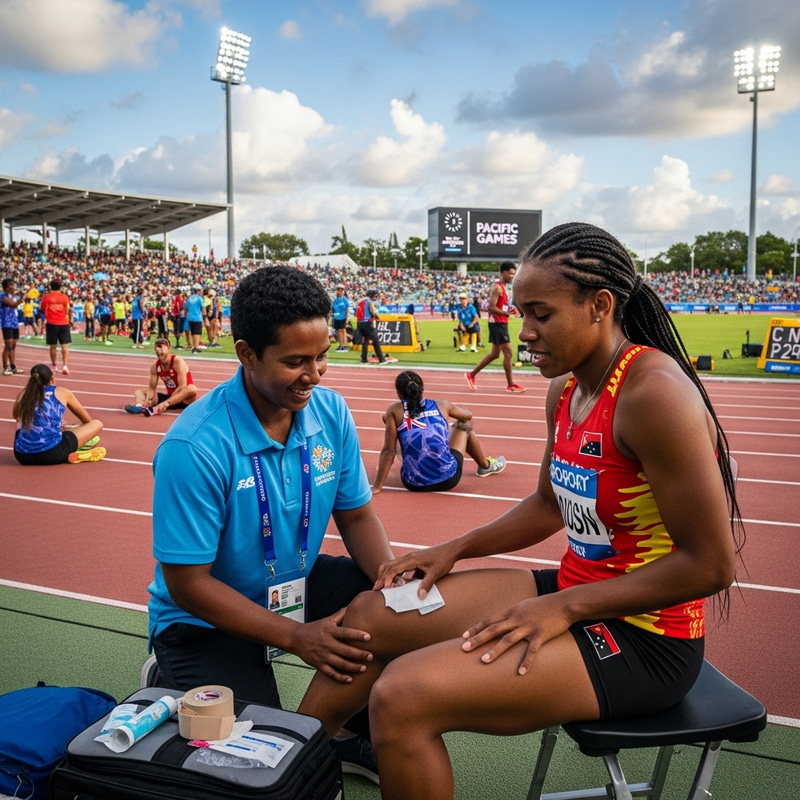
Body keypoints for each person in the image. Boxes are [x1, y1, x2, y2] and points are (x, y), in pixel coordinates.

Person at [297, 222, 743, 800]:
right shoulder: (567, 390)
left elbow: (711, 565)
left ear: (599, 306)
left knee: (401, 696)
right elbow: (546, 505)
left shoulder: (654, 394)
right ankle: (290, 764)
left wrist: (564, 606)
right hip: (573, 592)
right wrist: (452, 549)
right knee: (369, 615)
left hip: (645, 638)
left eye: (540, 314)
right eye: (519, 312)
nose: (523, 331)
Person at [146, 265, 395, 783]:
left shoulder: (331, 412)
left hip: (292, 586)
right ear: (246, 354)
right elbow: (188, 585)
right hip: (203, 618)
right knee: (249, 762)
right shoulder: (194, 446)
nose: (316, 373)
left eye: (323, 355)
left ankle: (345, 734)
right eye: (295, 361)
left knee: (396, 615)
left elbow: (357, 514)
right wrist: (296, 637)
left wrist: (390, 581)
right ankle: (169, 670)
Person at [372, 371, 506, 494]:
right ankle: (485, 466)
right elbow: (468, 415)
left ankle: (410, 458)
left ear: (399, 393)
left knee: (396, 430)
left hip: (413, 484)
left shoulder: (394, 410)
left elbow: (388, 451)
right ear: (421, 389)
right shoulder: (442, 404)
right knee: (464, 427)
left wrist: (377, 487)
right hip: (448, 479)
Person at [12, 364, 106, 465]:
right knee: (97, 424)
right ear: (52, 378)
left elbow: (16, 416)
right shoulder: (62, 392)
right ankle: (75, 451)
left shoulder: (24, 393)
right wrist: (70, 427)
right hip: (51, 454)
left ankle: (68, 448)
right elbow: (86, 420)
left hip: (22, 456)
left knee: (20, 420)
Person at [465, 261, 526, 393]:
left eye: (513, 274)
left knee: (494, 354)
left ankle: (472, 374)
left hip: (501, 322)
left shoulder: (505, 288)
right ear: (502, 273)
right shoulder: (497, 288)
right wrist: (506, 313)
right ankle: (510, 384)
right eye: (510, 273)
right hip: (497, 323)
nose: (512, 276)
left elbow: (500, 306)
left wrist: (510, 309)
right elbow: (491, 307)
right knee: (508, 352)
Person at [125, 337, 198, 417]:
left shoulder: (177, 361)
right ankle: (140, 407)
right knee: (140, 392)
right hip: (169, 398)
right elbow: (152, 388)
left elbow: (182, 386)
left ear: (169, 347)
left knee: (192, 388)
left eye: (160, 347)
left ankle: (159, 407)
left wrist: (168, 401)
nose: (158, 351)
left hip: (184, 398)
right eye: (156, 348)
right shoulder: (155, 366)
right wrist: (148, 399)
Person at [40, 279, 72, 375]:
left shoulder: (46, 297)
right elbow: (67, 309)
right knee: (65, 346)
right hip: (63, 323)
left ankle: (54, 365)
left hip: (52, 323)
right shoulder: (65, 297)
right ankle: (65, 366)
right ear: (60, 287)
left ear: (51, 287)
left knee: (53, 346)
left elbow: (42, 308)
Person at [355, 288, 389, 365]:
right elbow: (374, 312)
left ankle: (363, 359)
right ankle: (381, 359)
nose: (376, 298)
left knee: (366, 341)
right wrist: (377, 317)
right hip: (367, 323)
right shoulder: (369, 302)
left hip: (360, 324)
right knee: (375, 340)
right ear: (372, 296)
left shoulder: (360, 302)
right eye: (375, 296)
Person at [1, 278, 24, 375]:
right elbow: (14, 305)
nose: (14, 287)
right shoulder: (2, 296)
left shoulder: (12, 295)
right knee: (8, 345)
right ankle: (5, 368)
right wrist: (21, 297)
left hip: (14, 322)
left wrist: (20, 296)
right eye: (12, 285)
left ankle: (13, 367)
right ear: (7, 287)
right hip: (6, 323)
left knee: (13, 345)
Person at [184, 284, 205, 354]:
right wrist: (204, 316)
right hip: (197, 317)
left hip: (190, 317)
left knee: (193, 333)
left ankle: (195, 346)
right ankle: (195, 348)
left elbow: (186, 309)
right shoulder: (199, 298)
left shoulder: (189, 298)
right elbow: (203, 308)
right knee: (197, 333)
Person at [331, 284, 351, 352]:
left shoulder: (344, 299)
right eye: (339, 290)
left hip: (343, 317)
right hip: (336, 317)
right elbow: (333, 308)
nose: (340, 291)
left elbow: (347, 309)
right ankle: (340, 344)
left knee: (343, 331)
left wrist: (347, 317)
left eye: (341, 290)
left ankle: (344, 345)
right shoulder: (336, 300)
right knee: (338, 331)